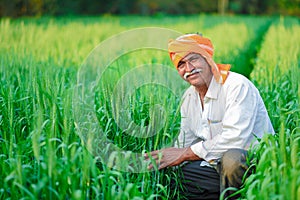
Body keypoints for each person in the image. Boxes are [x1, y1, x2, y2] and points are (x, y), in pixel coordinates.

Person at [145, 33, 274, 199]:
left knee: (232, 158)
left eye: (193, 59)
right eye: (181, 64)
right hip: (215, 167)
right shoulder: (189, 98)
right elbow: (186, 142)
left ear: (208, 59)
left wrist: (183, 154)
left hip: (252, 166)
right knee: (173, 175)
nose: (189, 68)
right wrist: (164, 159)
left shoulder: (236, 86)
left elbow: (234, 140)